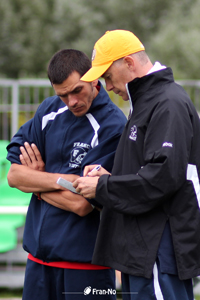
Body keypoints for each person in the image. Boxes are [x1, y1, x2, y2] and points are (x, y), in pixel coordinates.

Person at [73, 29, 200, 300]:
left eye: (107, 77)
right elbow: (147, 171)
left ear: (129, 63)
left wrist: (103, 186)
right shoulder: (145, 102)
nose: (107, 87)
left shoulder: (168, 102)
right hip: (142, 248)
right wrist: (110, 176)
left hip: (159, 247)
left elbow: (162, 177)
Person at [6, 49, 127, 300]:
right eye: (62, 95)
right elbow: (15, 176)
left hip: (86, 269)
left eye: (77, 91)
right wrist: (65, 181)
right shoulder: (49, 110)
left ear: (94, 79)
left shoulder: (113, 126)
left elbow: (82, 204)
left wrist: (36, 182)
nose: (71, 101)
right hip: (37, 264)